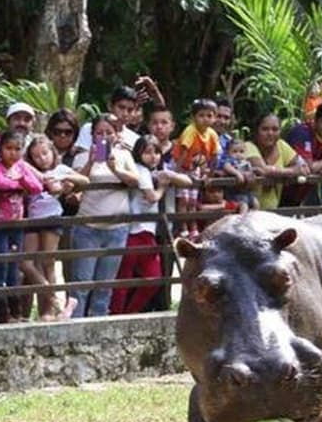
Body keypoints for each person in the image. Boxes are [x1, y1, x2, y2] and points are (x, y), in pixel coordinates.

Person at [111, 134, 190, 316]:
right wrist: (162, 187)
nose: (153, 156)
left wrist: (169, 175)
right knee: (128, 278)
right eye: (147, 152)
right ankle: (118, 314)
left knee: (150, 277)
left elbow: (187, 181)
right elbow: (152, 197)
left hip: (145, 232)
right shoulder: (141, 171)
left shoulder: (151, 171)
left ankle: (127, 313)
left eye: (156, 152)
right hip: (135, 231)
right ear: (139, 154)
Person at [70, 113, 137, 318]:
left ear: (116, 134)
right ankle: (76, 324)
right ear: (92, 135)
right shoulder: (81, 156)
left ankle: (98, 322)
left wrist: (115, 169)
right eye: (100, 133)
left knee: (105, 284)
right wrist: (91, 162)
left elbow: (135, 181)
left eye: (109, 132)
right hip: (88, 227)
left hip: (117, 228)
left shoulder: (124, 155)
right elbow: (73, 185)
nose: (104, 137)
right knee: (81, 282)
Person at [23, 134, 84, 321]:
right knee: (26, 263)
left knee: (48, 262)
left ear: (52, 152)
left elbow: (84, 180)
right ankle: (56, 300)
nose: (42, 158)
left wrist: (64, 178)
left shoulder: (60, 169)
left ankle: (48, 311)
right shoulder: (30, 171)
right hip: (32, 219)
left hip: (52, 217)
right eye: (36, 156)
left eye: (45, 153)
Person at [0, 130, 42, 323]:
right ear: (0, 149)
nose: (13, 153)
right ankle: (1, 313)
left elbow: (37, 187)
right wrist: (19, 184)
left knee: (13, 267)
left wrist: (22, 179)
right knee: (0, 264)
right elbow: (0, 183)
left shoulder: (22, 167)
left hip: (17, 225)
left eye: (17, 149)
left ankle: (16, 311)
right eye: (8, 148)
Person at [174, 99, 221, 238]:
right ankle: (183, 227)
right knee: (184, 199)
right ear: (193, 117)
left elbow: (215, 156)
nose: (205, 119)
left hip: (196, 168)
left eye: (209, 115)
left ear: (214, 117)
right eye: (201, 115)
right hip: (181, 166)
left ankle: (193, 227)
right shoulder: (191, 131)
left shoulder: (212, 134)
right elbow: (183, 152)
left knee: (193, 200)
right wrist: (176, 173)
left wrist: (209, 176)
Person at [285, 101, 322, 205]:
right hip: (280, 190)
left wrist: (315, 168)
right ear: (315, 121)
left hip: (300, 195)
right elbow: (307, 167)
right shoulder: (302, 132)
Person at [243, 113, 305, 209]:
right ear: (256, 131)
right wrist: (291, 172)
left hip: (273, 212)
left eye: (275, 129)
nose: (270, 133)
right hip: (248, 211)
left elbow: (304, 167)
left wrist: (278, 172)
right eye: (265, 129)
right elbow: (263, 170)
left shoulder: (281, 145)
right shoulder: (247, 146)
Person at [76, 86, 141, 152]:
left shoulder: (135, 140)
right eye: (121, 107)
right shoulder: (88, 128)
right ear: (110, 106)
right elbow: (81, 155)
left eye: (130, 110)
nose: (125, 114)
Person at [219, 139, 257, 209]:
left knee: (255, 203)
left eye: (241, 151)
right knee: (244, 206)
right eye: (234, 151)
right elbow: (226, 166)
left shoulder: (246, 162)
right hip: (234, 193)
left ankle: (254, 216)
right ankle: (242, 216)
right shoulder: (230, 162)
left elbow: (251, 171)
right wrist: (237, 173)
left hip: (246, 191)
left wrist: (253, 173)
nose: (238, 154)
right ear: (228, 153)